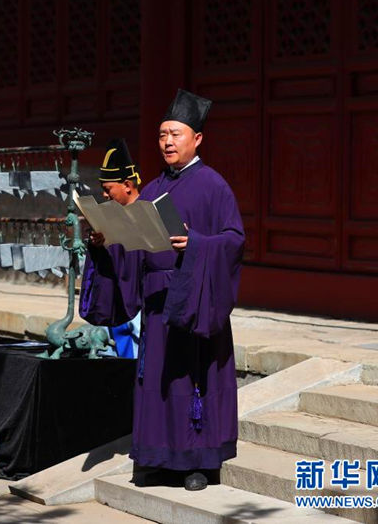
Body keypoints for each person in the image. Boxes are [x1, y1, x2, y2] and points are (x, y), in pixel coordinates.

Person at [80, 89, 244, 491]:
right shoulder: (152, 190)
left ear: (197, 139)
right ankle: (157, 458)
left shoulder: (213, 186)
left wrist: (197, 245)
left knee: (189, 381)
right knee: (156, 381)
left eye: (175, 134)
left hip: (194, 298)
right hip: (156, 304)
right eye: (161, 135)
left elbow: (234, 241)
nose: (167, 142)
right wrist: (104, 245)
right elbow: (132, 253)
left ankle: (197, 464)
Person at [94, 138, 143, 358]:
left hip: (140, 302)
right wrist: (98, 245)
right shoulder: (113, 215)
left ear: (127, 186)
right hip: (117, 299)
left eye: (108, 189)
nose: (105, 195)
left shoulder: (147, 213)